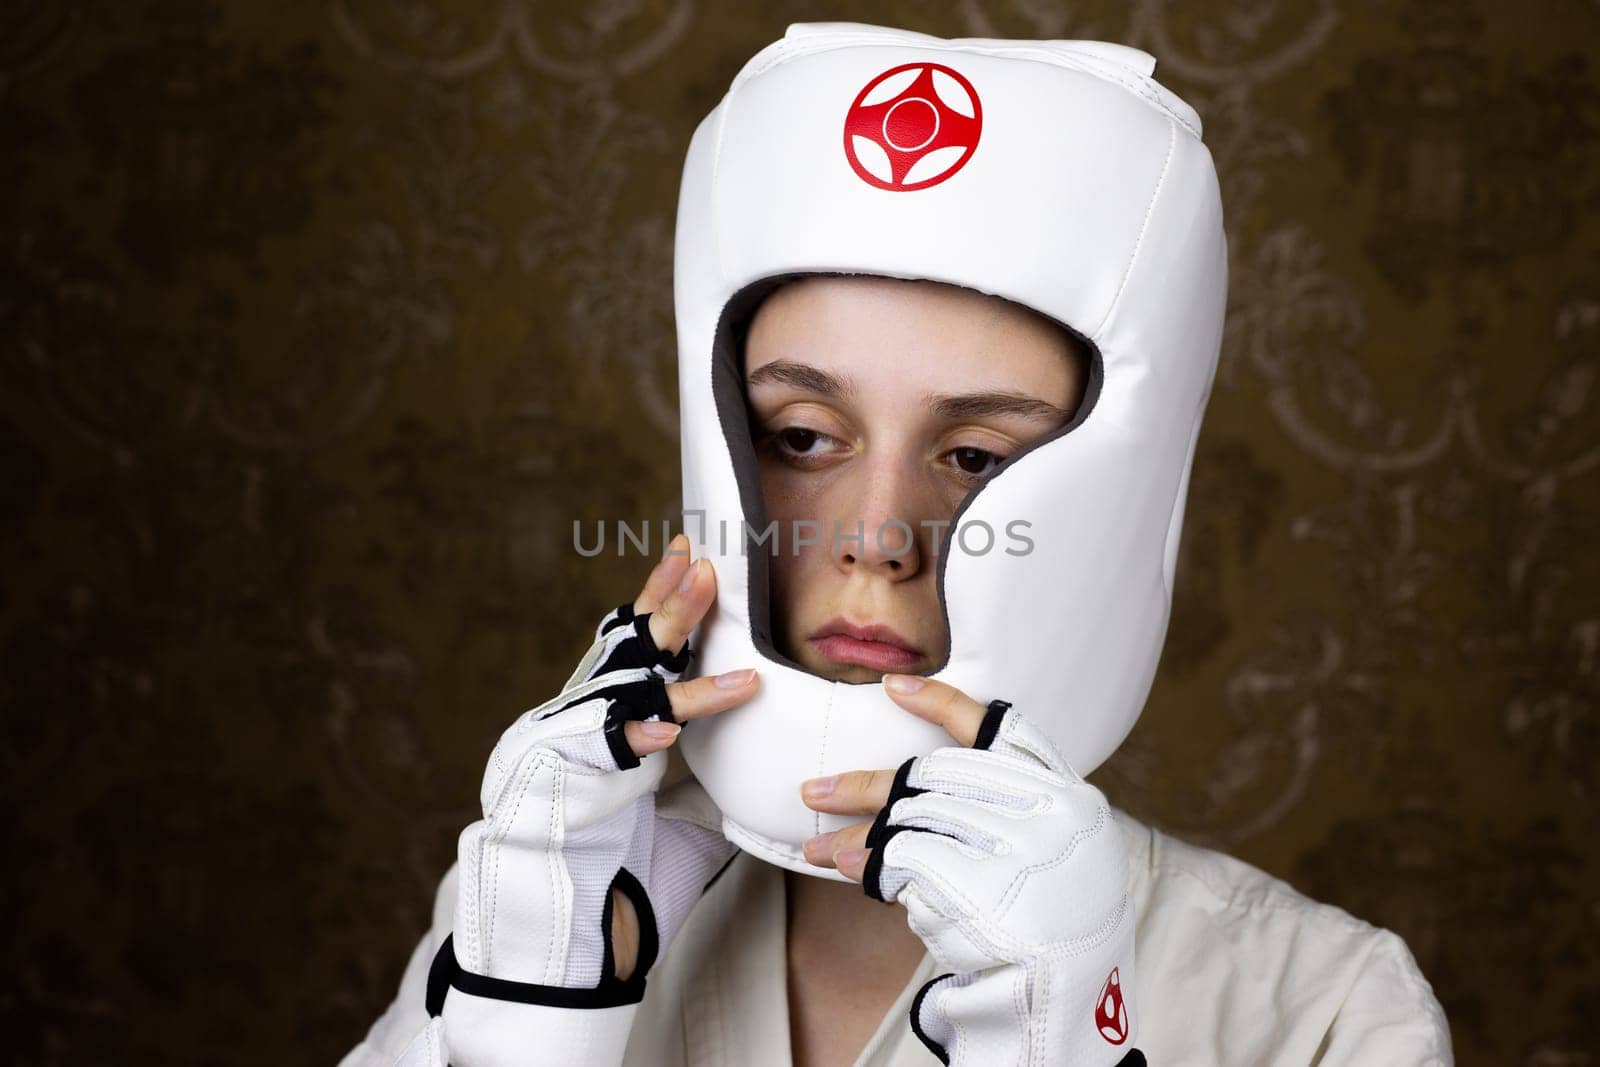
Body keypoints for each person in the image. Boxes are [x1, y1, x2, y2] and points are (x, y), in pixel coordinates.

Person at [340, 22, 1454, 1066]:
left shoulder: (1319, 1002)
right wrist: (525, 1020)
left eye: (972, 455)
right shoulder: (540, 907)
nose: (877, 540)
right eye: (803, 435)